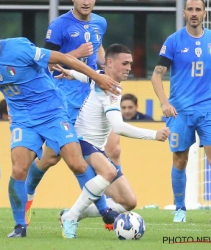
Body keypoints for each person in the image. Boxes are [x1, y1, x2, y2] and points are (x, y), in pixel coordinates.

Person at [0, 16, 121, 238]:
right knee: (19, 168)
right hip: (23, 119)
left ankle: (104, 210)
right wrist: (13, 110)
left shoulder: (19, 47)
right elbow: (11, 87)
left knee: (77, 163)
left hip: (52, 112)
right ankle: (20, 226)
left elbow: (61, 58)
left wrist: (97, 77)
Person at [25, 0, 123, 228]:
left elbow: (98, 50)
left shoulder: (101, 22)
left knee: (88, 155)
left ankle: (104, 211)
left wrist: (111, 68)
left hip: (89, 98)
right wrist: (76, 53)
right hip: (64, 100)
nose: (86, 2)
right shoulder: (59, 25)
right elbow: (46, 63)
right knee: (51, 157)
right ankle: (28, 191)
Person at [54, 44, 170, 229]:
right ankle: (72, 217)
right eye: (124, 63)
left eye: (130, 64)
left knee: (129, 202)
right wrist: (154, 134)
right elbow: (118, 127)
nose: (129, 68)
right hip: (83, 142)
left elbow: (89, 78)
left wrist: (72, 74)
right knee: (108, 172)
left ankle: (74, 212)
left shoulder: (100, 78)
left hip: (96, 148)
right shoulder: (110, 89)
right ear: (109, 62)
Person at [151, 0, 211, 223]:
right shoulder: (174, 41)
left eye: (198, 9)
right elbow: (157, 75)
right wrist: (165, 103)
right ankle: (180, 209)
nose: (194, 14)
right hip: (181, 111)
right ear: (184, 13)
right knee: (180, 161)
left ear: (204, 13)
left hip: (208, 109)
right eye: (190, 10)